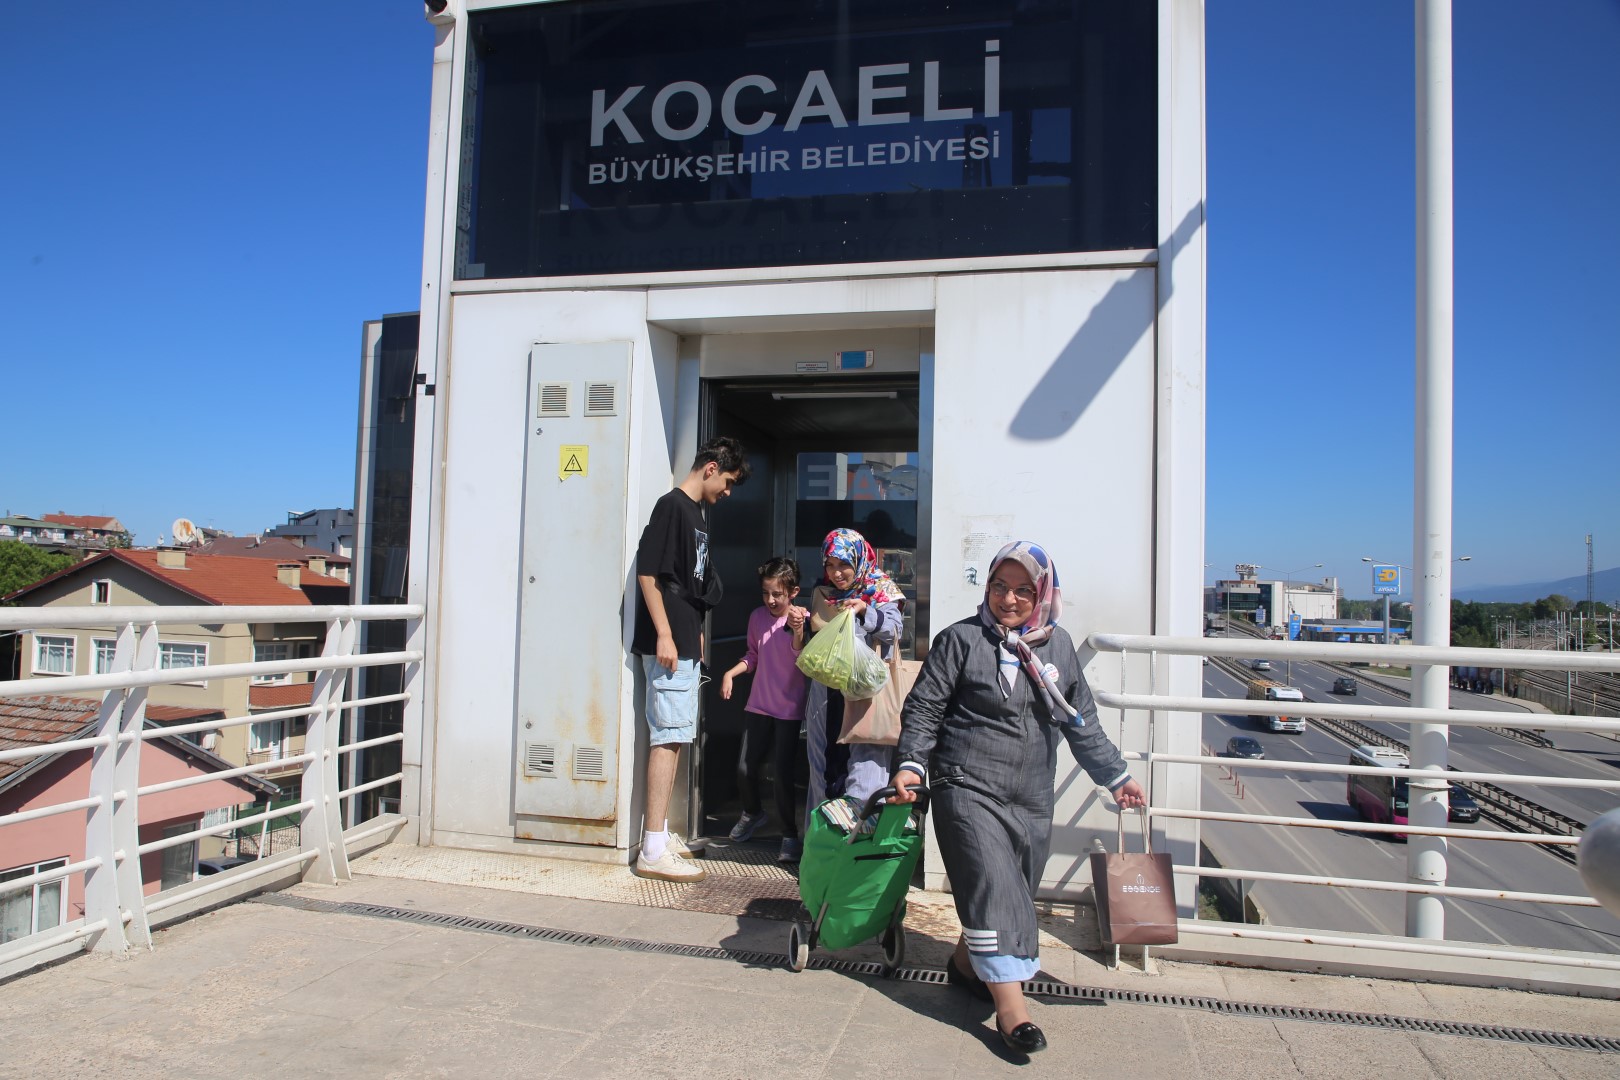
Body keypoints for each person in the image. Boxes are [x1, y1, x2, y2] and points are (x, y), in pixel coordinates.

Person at [889, 540, 1146, 1055]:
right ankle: (1013, 1011)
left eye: (1024, 590)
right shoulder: (959, 640)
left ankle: (966, 966)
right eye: (999, 587)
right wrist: (912, 764)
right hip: (966, 783)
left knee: (1014, 889)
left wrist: (1116, 776)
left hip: (1031, 794)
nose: (1009, 599)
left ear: (1043, 594)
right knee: (993, 880)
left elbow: (1080, 721)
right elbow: (924, 709)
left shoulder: (1059, 647)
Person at [629, 435, 750, 882]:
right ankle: (652, 848)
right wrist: (664, 632)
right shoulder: (672, 507)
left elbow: (689, 582)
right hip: (668, 646)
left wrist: (692, 630)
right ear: (712, 467)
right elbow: (648, 573)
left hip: (682, 642)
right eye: (729, 482)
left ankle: (660, 837)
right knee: (667, 737)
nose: (728, 492)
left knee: (676, 735)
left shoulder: (695, 514)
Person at [804, 528, 905, 825]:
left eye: (844, 565)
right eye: (830, 565)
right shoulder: (825, 594)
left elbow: (896, 630)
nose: (836, 573)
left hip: (865, 696)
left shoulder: (881, 589)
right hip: (826, 694)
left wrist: (865, 612)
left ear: (859, 560)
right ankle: (822, 842)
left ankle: (856, 841)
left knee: (864, 770)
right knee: (822, 769)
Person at [719, 556, 811, 862]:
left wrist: (798, 630)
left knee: (782, 775)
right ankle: (752, 812)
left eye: (777, 594)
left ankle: (789, 835)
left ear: (793, 592)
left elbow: (802, 658)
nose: (770, 600)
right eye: (765, 593)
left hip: (789, 709)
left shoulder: (802, 618)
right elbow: (753, 655)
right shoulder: (757, 617)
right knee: (745, 768)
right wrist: (731, 673)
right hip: (758, 704)